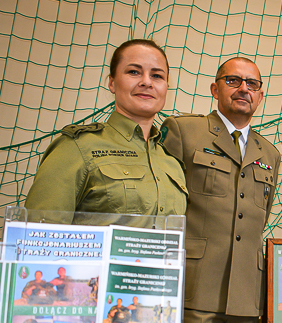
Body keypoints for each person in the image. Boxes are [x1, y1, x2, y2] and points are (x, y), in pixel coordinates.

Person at [161, 57, 281, 323]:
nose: (244, 88)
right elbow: (165, 202)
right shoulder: (183, 131)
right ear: (216, 89)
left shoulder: (269, 153)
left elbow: (258, 217)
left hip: (245, 288)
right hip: (198, 282)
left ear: (259, 96)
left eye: (252, 84)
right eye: (234, 81)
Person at [24, 39, 187, 217]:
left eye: (157, 76)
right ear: (112, 83)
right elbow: (37, 233)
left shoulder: (172, 163)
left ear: (166, 88)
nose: (147, 82)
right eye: (134, 72)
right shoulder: (78, 147)